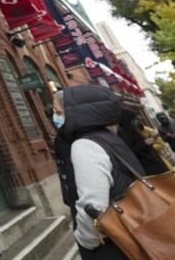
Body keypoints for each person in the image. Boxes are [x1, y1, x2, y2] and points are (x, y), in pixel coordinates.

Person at [53, 85, 146, 260]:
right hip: (132, 231)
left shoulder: (85, 145)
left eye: (58, 112)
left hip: (112, 245)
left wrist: (85, 240)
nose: (55, 117)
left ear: (74, 112)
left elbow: (94, 207)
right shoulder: (108, 137)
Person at [116, 109, 169, 175]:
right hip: (150, 168)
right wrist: (145, 143)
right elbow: (130, 152)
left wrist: (149, 140)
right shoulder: (123, 134)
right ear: (126, 120)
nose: (136, 121)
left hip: (155, 164)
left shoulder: (134, 130)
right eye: (133, 119)